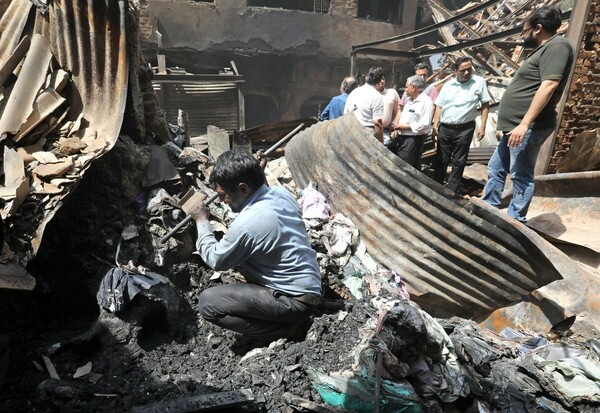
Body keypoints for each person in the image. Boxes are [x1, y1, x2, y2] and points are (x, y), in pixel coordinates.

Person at [189, 151, 322, 341]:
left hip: (294, 301)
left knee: (208, 303)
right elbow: (262, 201)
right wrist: (258, 175)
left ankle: (287, 331)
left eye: (223, 195)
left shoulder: (248, 224)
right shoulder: (282, 194)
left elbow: (216, 260)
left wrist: (201, 221)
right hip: (310, 287)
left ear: (243, 189)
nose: (220, 200)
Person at [482, 5, 573, 223]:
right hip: (514, 127)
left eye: (524, 31)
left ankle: (515, 223)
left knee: (520, 175)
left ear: (538, 28)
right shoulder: (544, 49)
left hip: (527, 127)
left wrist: (524, 124)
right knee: (496, 169)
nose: (522, 36)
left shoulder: (558, 46)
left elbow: (549, 85)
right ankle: (488, 213)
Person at [432, 57, 491, 192]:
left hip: (465, 129)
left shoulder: (479, 82)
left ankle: (452, 191)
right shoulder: (448, 85)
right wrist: (435, 126)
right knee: (441, 159)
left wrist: (482, 127)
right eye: (462, 70)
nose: (466, 73)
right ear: (455, 71)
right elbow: (439, 106)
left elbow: (485, 105)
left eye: (469, 69)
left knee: (459, 162)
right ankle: (436, 187)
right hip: (445, 128)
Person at [388, 75, 434, 169]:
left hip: (412, 140)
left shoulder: (426, 101)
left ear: (413, 87)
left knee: (407, 167)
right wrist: (396, 128)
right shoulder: (408, 101)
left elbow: (425, 124)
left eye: (406, 87)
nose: (405, 89)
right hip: (401, 137)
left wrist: (405, 127)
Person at [344, 67, 385, 142]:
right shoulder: (377, 96)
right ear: (379, 81)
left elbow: (345, 113)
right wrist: (381, 142)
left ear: (366, 78)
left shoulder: (354, 92)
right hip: (367, 133)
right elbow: (377, 123)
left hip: (351, 130)